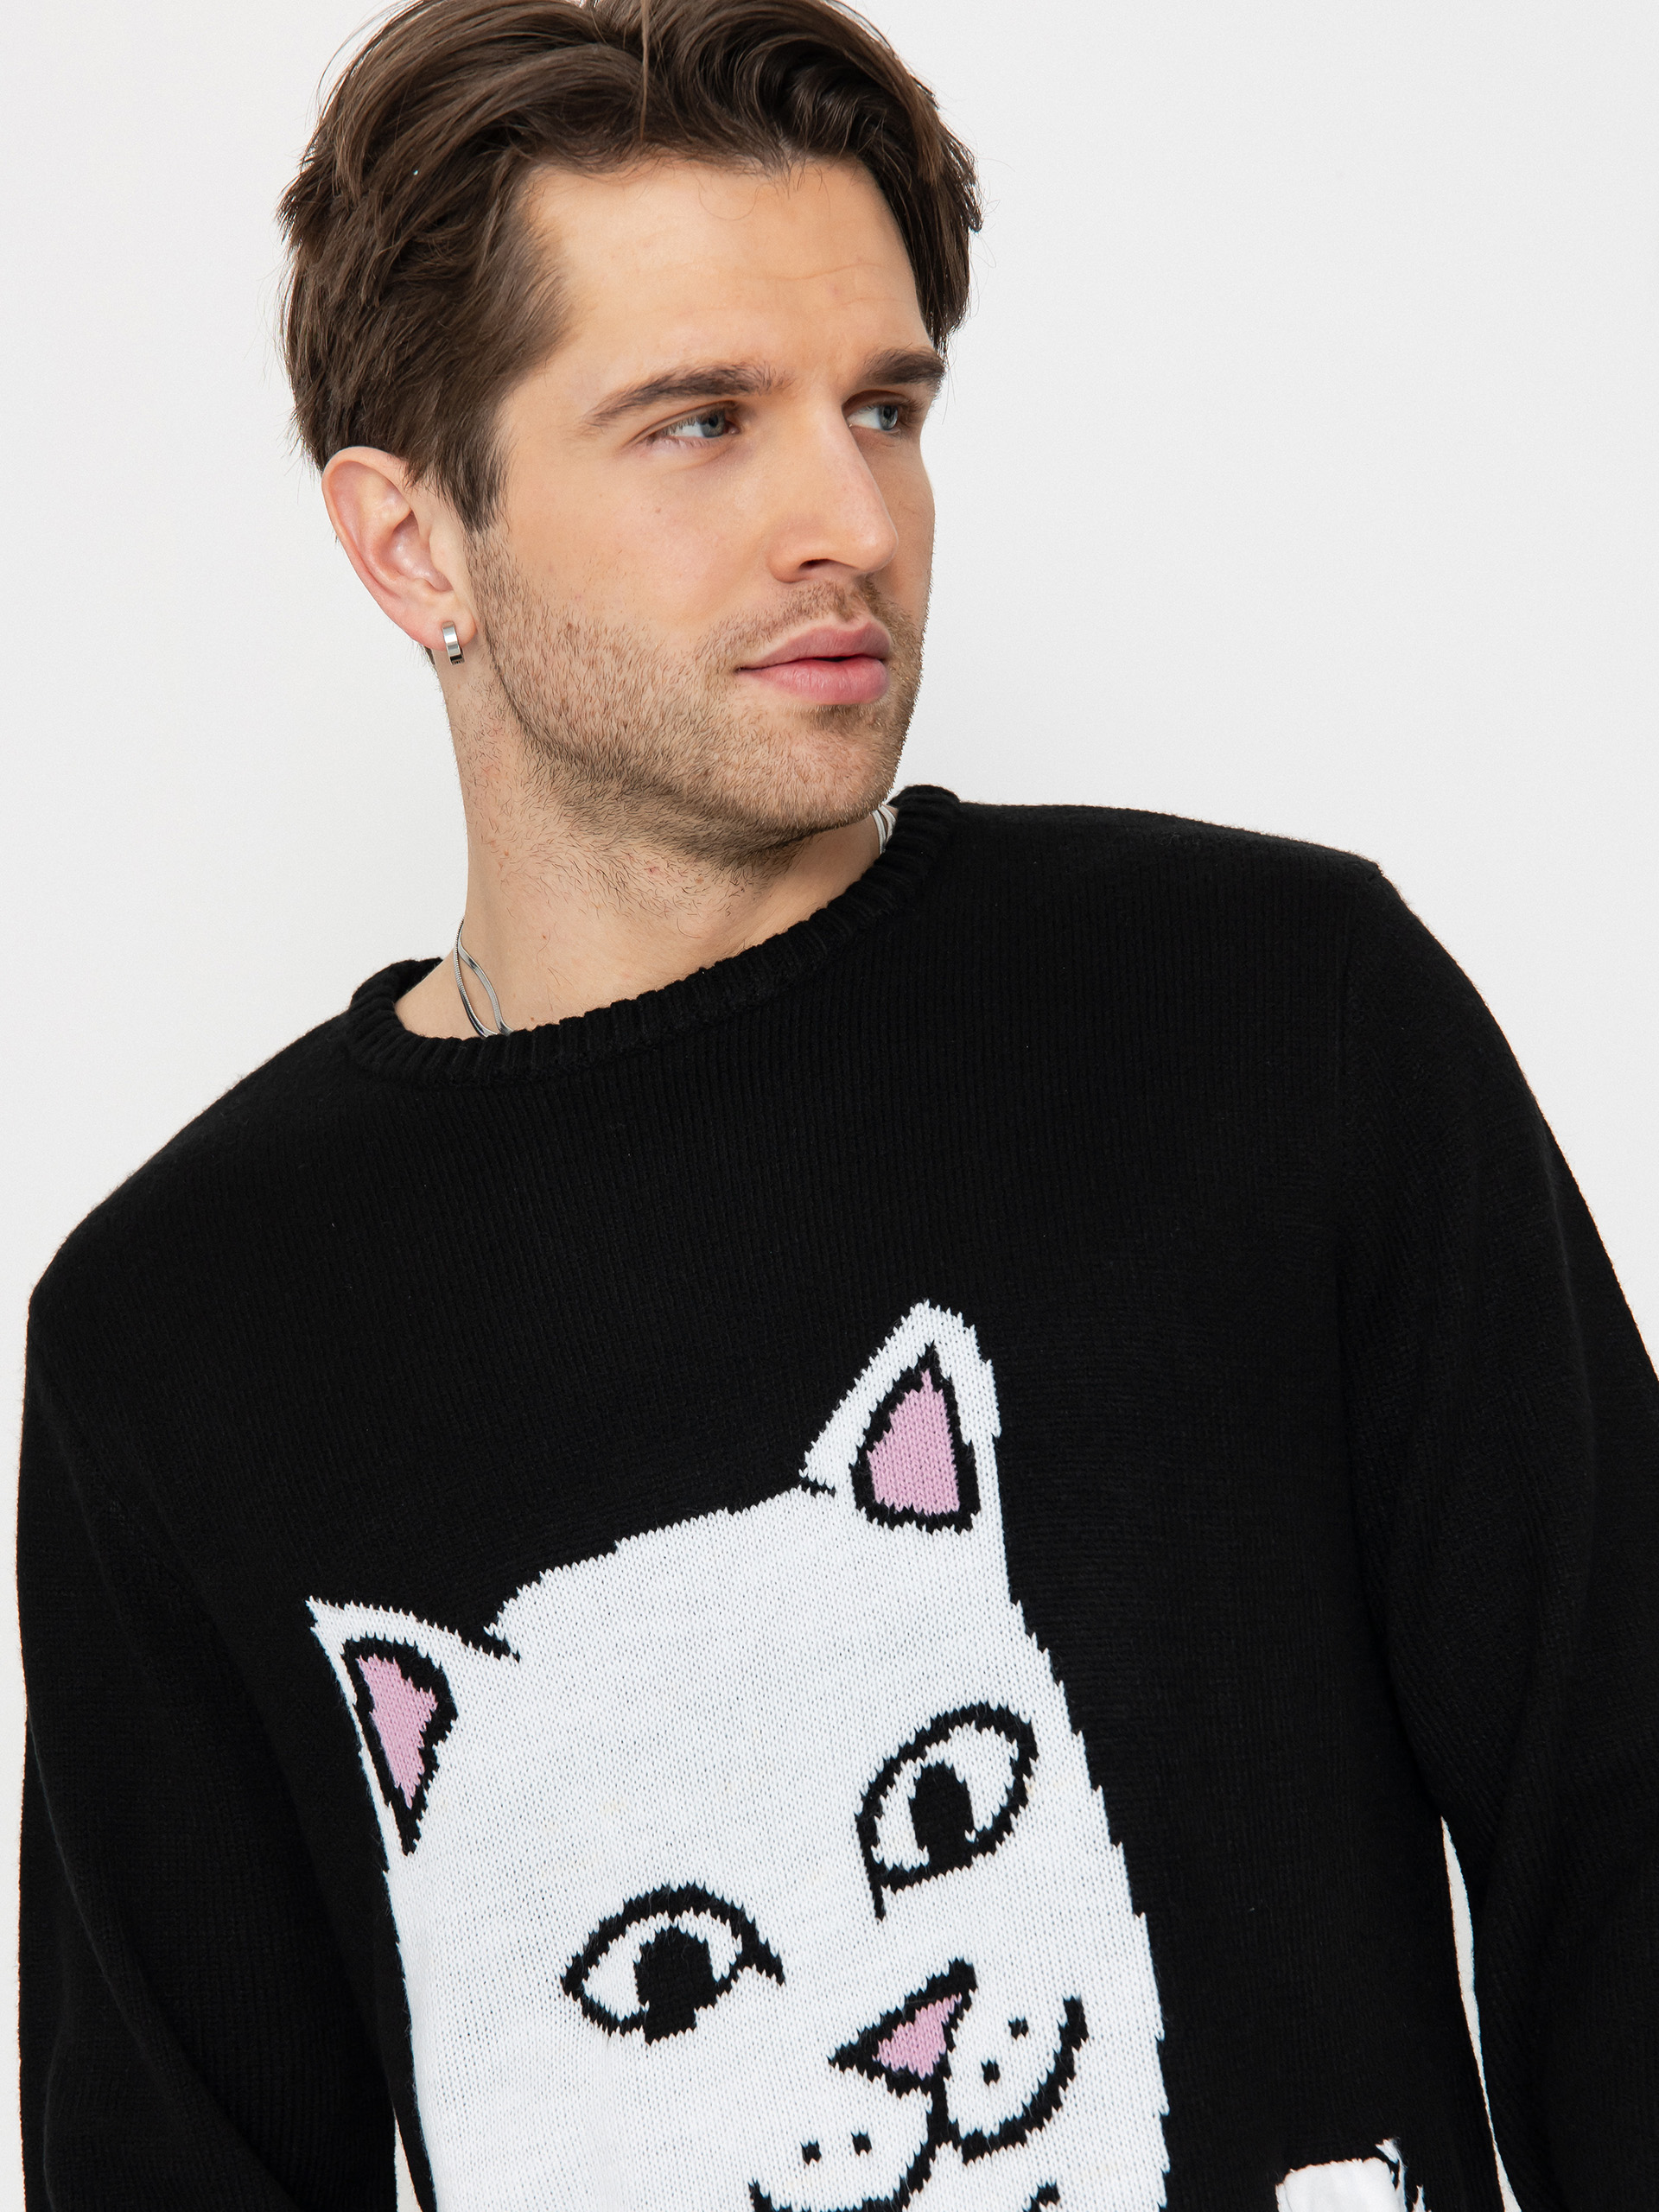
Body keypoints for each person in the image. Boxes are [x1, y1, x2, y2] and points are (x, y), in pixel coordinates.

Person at [16, 0, 1657, 2205]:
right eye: (702, 421)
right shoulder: (181, 1329)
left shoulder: (1284, 1017)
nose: (851, 518)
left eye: (885, 406)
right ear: (413, 544)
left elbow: (1626, 1864)